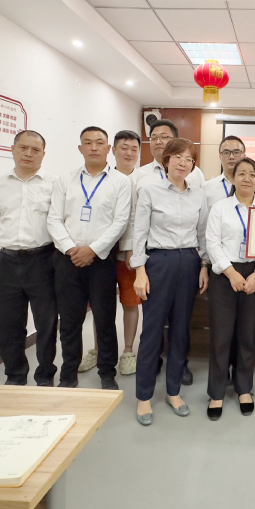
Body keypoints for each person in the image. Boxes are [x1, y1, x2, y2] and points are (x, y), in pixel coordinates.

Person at [131, 139, 209, 425]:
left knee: (180, 330)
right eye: (177, 157)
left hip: (189, 262)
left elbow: (202, 235)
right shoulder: (150, 191)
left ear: (193, 165)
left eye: (188, 159)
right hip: (158, 263)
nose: (182, 163)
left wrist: (203, 266)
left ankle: (173, 392)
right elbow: (139, 233)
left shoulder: (199, 195)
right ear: (166, 160)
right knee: (152, 331)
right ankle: (143, 397)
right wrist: (140, 271)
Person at [47, 126, 132, 390]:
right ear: (80, 148)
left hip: (101, 261)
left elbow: (120, 221)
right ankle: (68, 373)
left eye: (99, 142)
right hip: (68, 259)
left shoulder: (121, 182)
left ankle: (107, 372)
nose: (94, 147)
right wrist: (70, 249)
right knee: (70, 320)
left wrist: (93, 250)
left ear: (108, 149)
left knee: (105, 319)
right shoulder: (65, 180)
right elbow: (53, 218)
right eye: (88, 142)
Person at [0, 130, 57, 387]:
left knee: (46, 323)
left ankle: (45, 376)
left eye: (35, 150)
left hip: (43, 260)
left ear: (43, 154)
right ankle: (15, 375)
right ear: (13, 149)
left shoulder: (54, 184)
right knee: (7, 324)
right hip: (7, 262)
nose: (28, 153)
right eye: (23, 148)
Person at [205, 158, 255, 420]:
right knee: (221, 336)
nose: (247, 178)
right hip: (224, 275)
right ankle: (217, 392)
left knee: (247, 334)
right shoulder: (220, 208)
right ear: (232, 179)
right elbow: (212, 242)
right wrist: (231, 273)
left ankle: (244, 388)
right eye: (241, 173)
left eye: (252, 174)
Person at [76, 131, 144, 377]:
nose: (129, 153)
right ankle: (98, 350)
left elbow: (139, 220)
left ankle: (128, 351)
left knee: (130, 303)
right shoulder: (100, 179)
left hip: (128, 254)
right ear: (112, 150)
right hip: (100, 253)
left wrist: (132, 248)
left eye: (134, 149)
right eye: (124, 148)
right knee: (100, 304)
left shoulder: (144, 180)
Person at [203, 135, 255, 208]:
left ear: (244, 156)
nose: (231, 157)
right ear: (220, 156)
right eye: (226, 153)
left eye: (236, 152)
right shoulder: (207, 187)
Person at [139, 118, 206, 188]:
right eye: (153, 138)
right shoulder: (139, 174)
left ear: (175, 141)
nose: (158, 142)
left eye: (164, 137)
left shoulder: (194, 172)